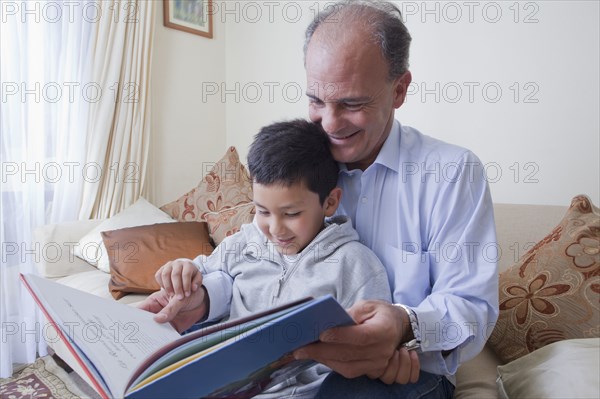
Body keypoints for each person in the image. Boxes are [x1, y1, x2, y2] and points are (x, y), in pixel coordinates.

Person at [141, 1, 499, 397]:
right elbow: (252, 260)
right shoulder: (301, 164)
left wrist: (404, 327)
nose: (330, 124)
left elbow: (472, 306)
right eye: (316, 100)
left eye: (352, 103)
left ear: (399, 89)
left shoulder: (451, 173)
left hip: (404, 369)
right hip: (288, 369)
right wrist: (204, 298)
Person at [143, 119, 392, 398]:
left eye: (291, 214)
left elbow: (372, 349)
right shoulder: (242, 242)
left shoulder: (355, 265)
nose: (275, 229)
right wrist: (184, 270)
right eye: (262, 211)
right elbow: (204, 275)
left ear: (330, 202)